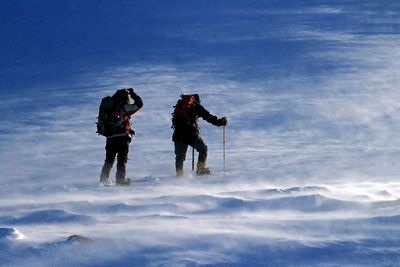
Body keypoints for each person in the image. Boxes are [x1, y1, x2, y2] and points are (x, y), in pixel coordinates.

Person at [172, 94, 227, 177]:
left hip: (178, 135)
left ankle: (179, 174)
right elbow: (208, 117)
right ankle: (201, 169)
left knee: (180, 156)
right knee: (203, 148)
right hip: (190, 135)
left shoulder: (180, 106)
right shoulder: (196, 106)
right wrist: (220, 122)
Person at [99, 88, 143, 185]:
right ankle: (120, 179)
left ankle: (103, 179)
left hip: (110, 137)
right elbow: (139, 104)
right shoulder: (124, 107)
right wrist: (133, 93)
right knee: (122, 158)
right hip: (122, 136)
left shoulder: (107, 107)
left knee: (109, 159)